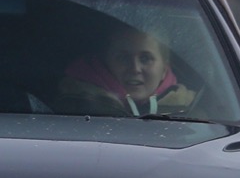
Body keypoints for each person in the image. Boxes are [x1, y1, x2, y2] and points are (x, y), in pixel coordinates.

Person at [57, 23, 198, 116]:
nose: (135, 68)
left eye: (145, 59)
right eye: (123, 58)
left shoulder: (192, 113)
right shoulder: (70, 106)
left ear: (164, 69)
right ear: (104, 65)